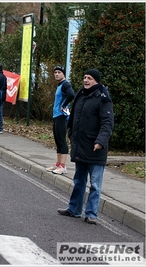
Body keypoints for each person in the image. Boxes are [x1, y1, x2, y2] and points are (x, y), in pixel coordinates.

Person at [57, 69, 114, 225]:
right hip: (81, 146)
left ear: (97, 80)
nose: (86, 80)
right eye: (84, 77)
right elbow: (74, 118)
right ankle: (74, 209)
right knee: (79, 180)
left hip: (96, 149)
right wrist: (71, 134)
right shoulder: (80, 95)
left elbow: (107, 123)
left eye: (89, 78)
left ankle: (91, 214)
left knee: (95, 184)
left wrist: (100, 141)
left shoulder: (103, 99)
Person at [45, 65, 75, 175]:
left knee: (62, 140)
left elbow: (71, 95)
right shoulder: (60, 85)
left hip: (62, 116)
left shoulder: (65, 84)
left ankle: (63, 166)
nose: (57, 74)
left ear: (63, 74)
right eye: (55, 72)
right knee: (57, 140)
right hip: (56, 116)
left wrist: (64, 104)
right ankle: (58, 163)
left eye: (59, 72)